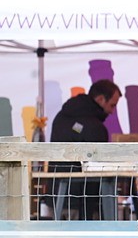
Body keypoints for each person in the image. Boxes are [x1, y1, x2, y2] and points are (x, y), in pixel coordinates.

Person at [48, 79, 122, 219]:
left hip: (56, 197)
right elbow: (100, 167)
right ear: (100, 99)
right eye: (112, 105)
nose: (112, 111)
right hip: (83, 203)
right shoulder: (95, 128)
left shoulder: (61, 117)